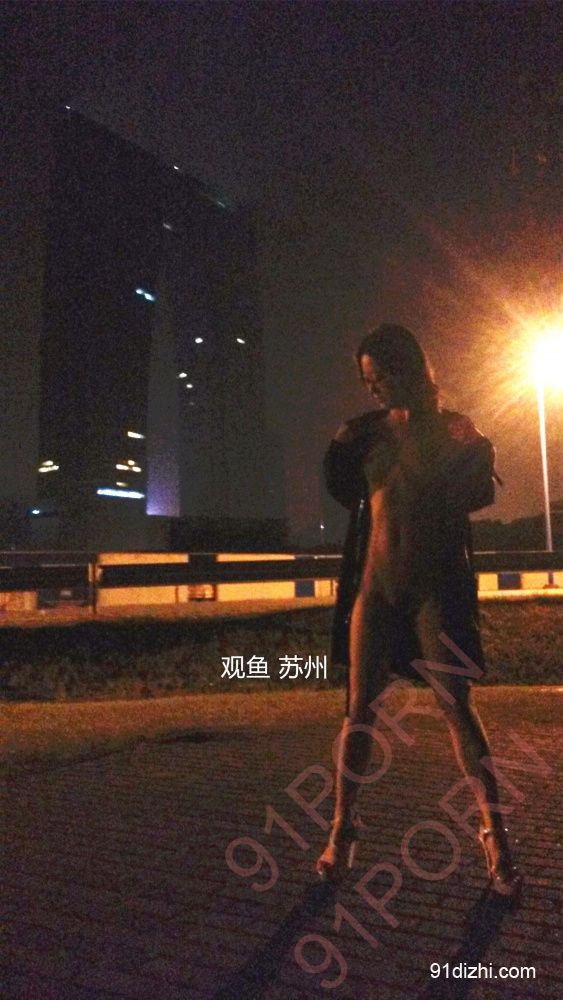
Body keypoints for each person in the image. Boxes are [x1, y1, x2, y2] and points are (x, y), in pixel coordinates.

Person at [315, 324, 522, 905]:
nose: (374, 388)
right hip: (375, 589)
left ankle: (496, 836)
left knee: (456, 705)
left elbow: (480, 491)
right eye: (367, 380)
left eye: (381, 376)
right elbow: (342, 488)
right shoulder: (366, 433)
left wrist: (477, 444)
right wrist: (338, 442)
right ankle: (343, 830)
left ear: (410, 368)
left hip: (434, 589)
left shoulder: (453, 428)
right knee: (358, 710)